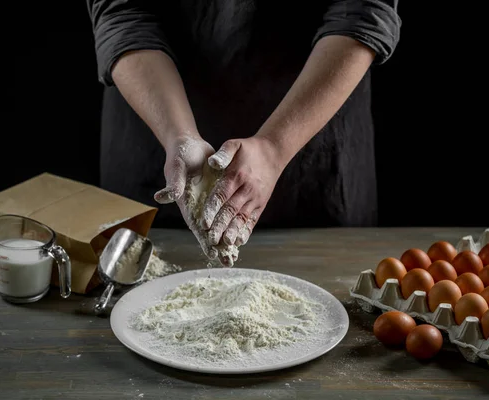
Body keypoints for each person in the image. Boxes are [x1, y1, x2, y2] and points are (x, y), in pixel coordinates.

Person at [86, 0, 401, 266]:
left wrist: (275, 146)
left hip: (313, 140)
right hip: (156, 119)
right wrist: (178, 135)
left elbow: (362, 9)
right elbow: (123, 10)